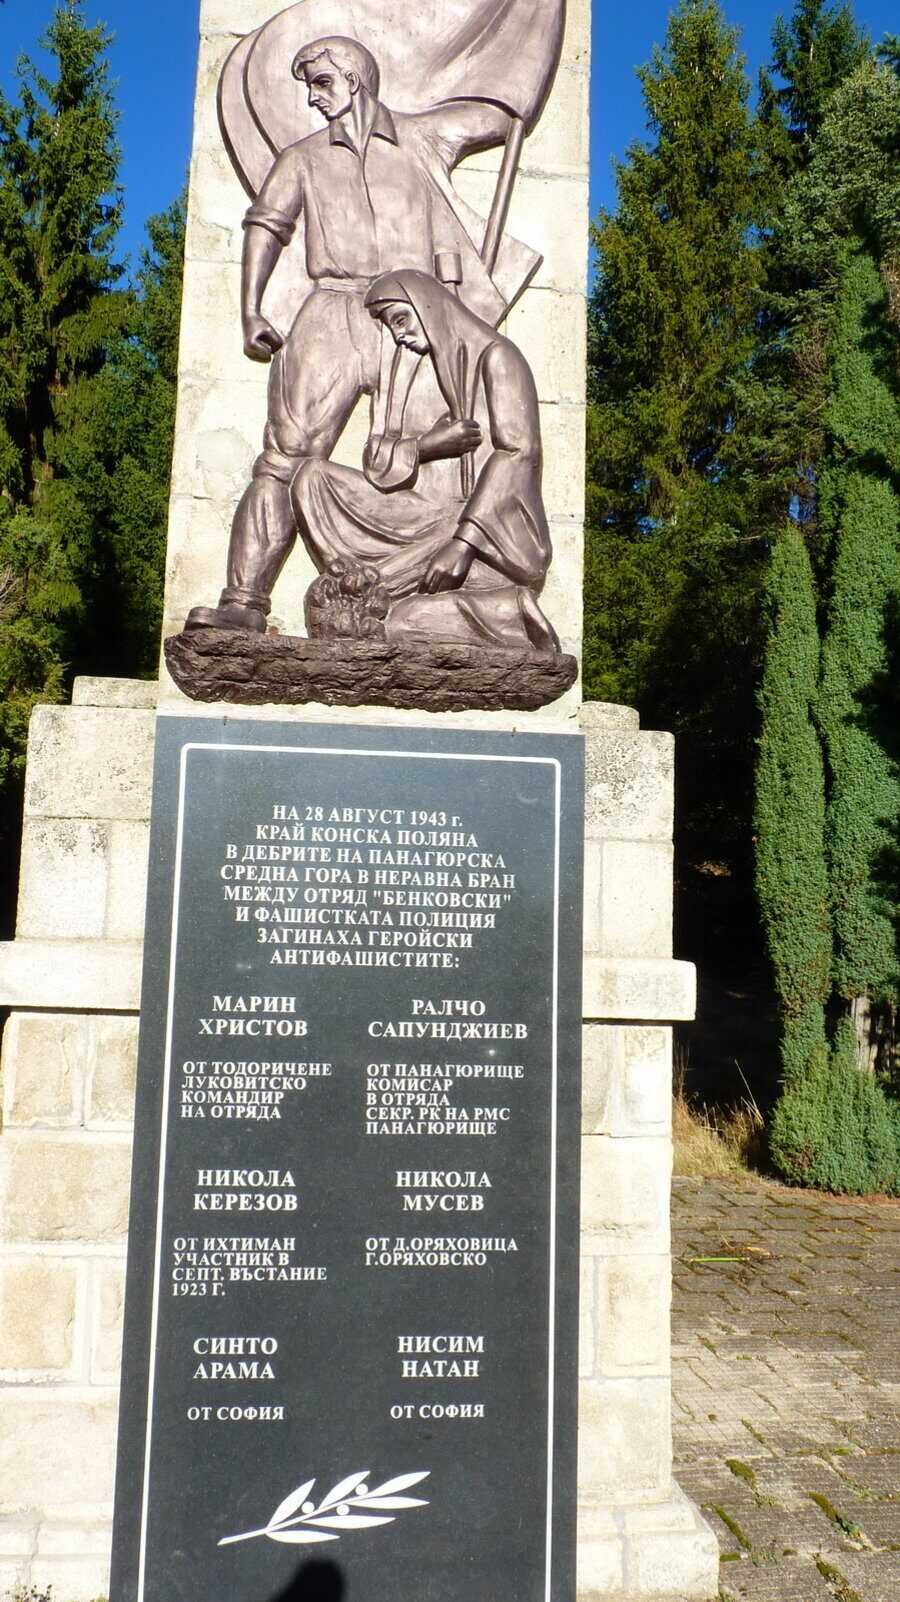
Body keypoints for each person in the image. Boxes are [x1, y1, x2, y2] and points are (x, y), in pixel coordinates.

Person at [187, 35, 515, 634]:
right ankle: (244, 602)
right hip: (331, 312)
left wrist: (510, 73)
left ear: (354, 80)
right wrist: (251, 309)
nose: (312, 98)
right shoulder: (303, 157)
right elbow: (267, 225)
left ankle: (424, 601)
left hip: (413, 314)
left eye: (321, 83)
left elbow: (496, 118)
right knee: (284, 460)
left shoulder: (420, 136)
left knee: (431, 461)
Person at [289, 268, 560, 654]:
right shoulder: (406, 366)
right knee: (312, 479)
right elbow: (375, 458)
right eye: (390, 326)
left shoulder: (498, 357)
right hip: (420, 513)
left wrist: (463, 544)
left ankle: (505, 611)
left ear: (429, 304)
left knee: (404, 620)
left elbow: (518, 454)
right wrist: (427, 446)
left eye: (401, 319)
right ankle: (367, 586)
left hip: (484, 528)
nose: (398, 334)